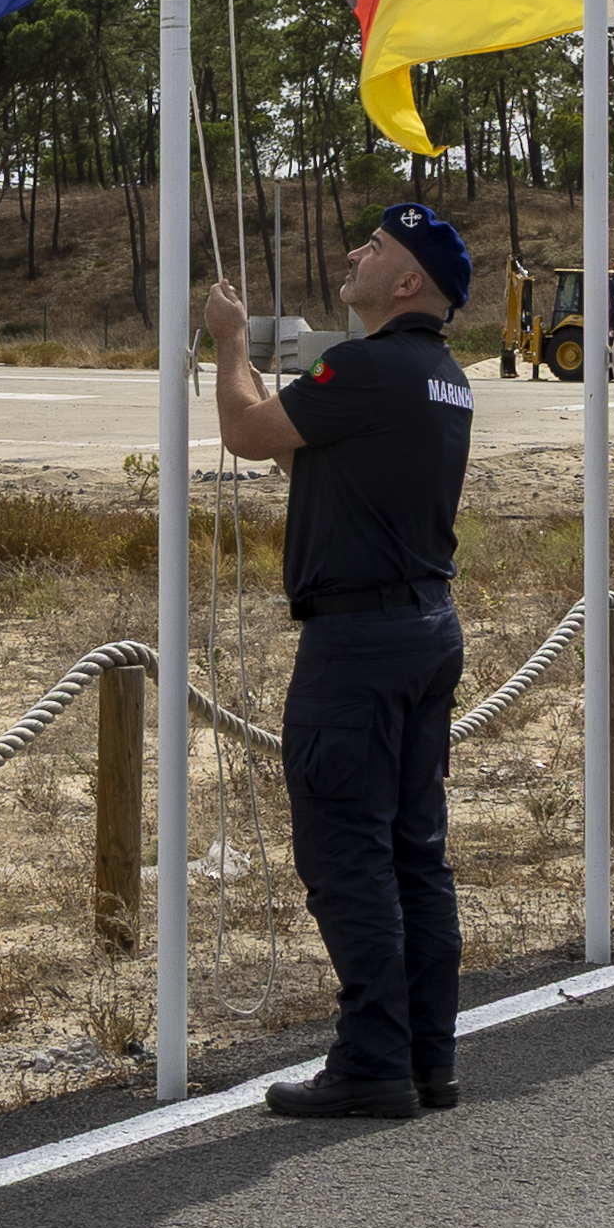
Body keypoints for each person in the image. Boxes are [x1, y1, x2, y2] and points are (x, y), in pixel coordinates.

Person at [201, 205, 477, 1122]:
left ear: (407, 283)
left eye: (376, 249)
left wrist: (230, 343)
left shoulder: (361, 366)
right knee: (411, 852)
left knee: (348, 854)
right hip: (423, 625)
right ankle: (423, 1055)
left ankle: (371, 1061)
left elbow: (245, 431)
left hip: (358, 644)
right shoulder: (441, 376)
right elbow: (322, 463)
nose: (354, 253)